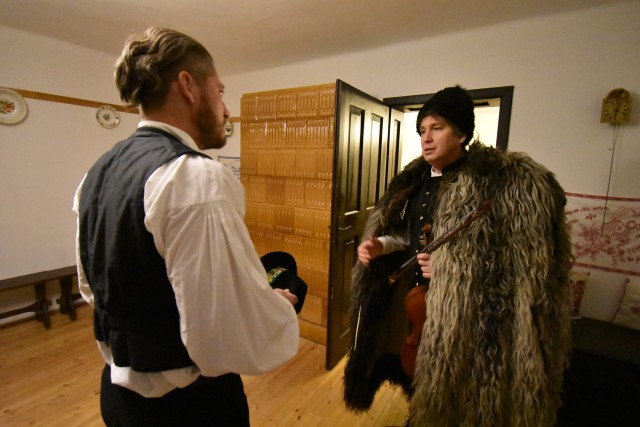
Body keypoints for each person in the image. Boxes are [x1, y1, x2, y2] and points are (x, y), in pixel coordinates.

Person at [73, 27, 301, 427]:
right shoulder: (194, 177)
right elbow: (221, 331)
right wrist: (279, 305)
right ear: (188, 86)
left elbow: (92, 287)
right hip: (187, 406)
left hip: (117, 394)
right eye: (221, 92)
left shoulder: (97, 171)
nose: (226, 110)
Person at [343, 85, 573, 426]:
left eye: (437, 128)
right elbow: (408, 235)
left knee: (456, 390)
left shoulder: (490, 186)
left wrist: (452, 269)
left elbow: (513, 263)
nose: (426, 138)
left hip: (466, 315)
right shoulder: (417, 180)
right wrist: (382, 244)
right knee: (415, 373)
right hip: (417, 303)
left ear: (462, 133)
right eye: (422, 130)